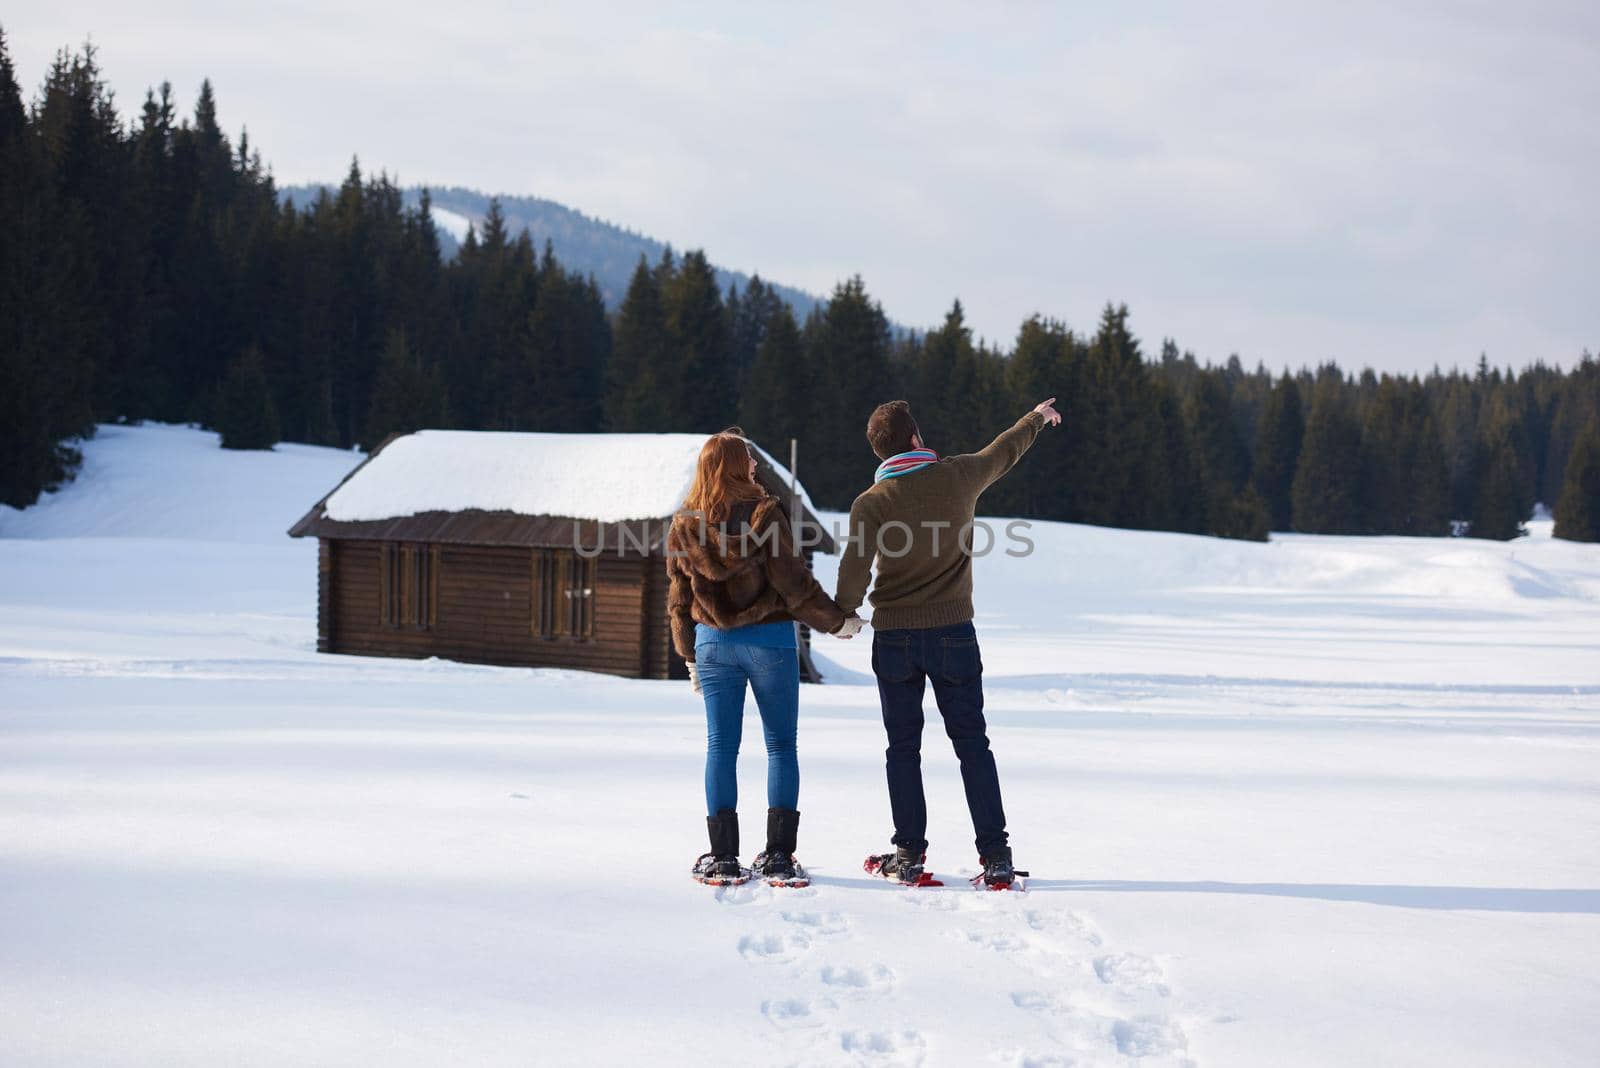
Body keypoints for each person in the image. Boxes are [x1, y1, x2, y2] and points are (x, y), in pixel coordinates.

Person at [835, 397, 1060, 888]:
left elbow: (853, 572)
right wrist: (1035, 419)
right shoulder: (958, 476)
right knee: (972, 744)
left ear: (880, 453)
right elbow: (1003, 451)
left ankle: (909, 854)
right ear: (916, 438)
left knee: (902, 748)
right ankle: (996, 856)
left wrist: (844, 613)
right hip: (954, 635)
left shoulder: (870, 504)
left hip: (893, 639)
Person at [667, 428, 863, 887]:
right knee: (781, 746)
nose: (755, 467)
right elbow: (794, 584)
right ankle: (778, 857)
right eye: (749, 461)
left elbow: (677, 599)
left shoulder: (684, 524)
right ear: (736, 467)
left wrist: (688, 655)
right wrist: (837, 622)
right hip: (771, 641)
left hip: (713, 644)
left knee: (721, 747)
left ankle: (723, 859)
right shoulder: (766, 514)